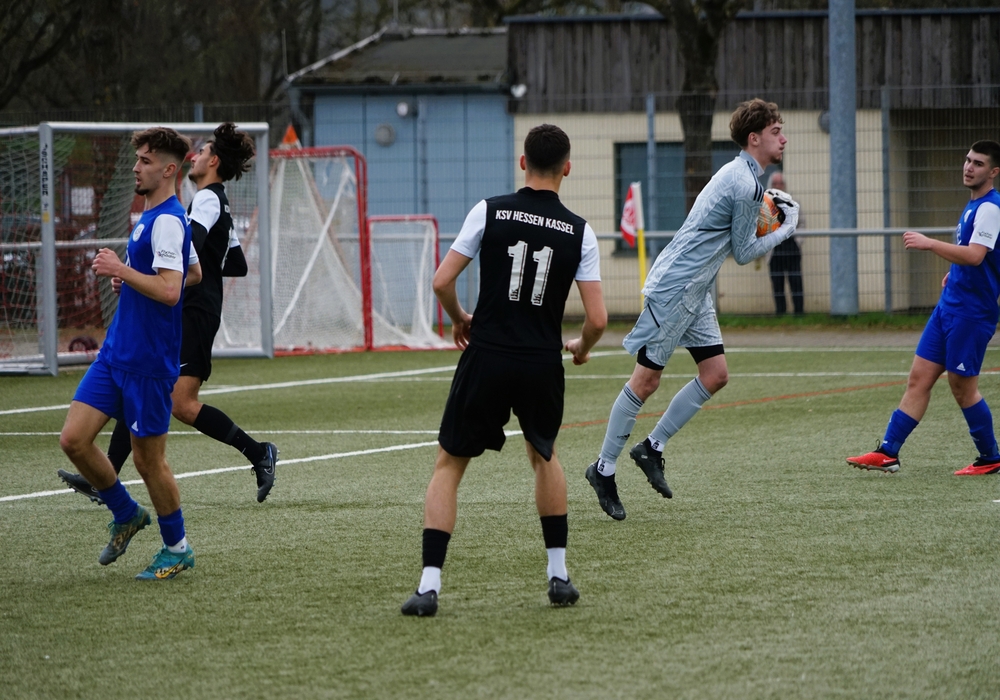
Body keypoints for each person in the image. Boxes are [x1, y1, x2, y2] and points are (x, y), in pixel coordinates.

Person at [401, 124, 607, 617]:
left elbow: (441, 281)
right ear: (567, 168)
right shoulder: (580, 231)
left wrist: (459, 319)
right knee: (545, 456)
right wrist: (581, 347)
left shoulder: (489, 210)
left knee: (449, 465)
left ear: (522, 163)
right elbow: (598, 319)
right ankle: (559, 577)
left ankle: (429, 586)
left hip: (488, 354)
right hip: (540, 361)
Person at [586, 98, 799, 521]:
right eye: (776, 132)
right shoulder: (744, 182)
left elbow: (736, 236)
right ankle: (603, 470)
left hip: (695, 290)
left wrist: (767, 212)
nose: (784, 139)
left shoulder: (743, 176)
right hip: (675, 287)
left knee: (715, 374)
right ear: (754, 138)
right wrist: (785, 227)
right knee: (645, 382)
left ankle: (651, 448)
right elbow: (744, 252)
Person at [58, 122, 279, 503]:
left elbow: (189, 247)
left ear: (214, 161)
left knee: (182, 403)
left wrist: (167, 270)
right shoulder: (217, 202)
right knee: (140, 381)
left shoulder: (206, 200)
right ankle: (105, 475)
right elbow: (237, 263)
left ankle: (259, 452)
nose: (196, 156)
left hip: (192, 309)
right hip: (191, 306)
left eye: (203, 152)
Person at [58, 127, 201, 580]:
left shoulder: (167, 220)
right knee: (74, 439)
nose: (136, 167)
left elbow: (172, 289)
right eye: (138, 158)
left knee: (147, 460)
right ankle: (126, 513)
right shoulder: (152, 216)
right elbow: (193, 272)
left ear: (169, 169)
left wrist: (123, 269)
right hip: (116, 353)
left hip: (147, 363)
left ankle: (177, 548)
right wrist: (135, 278)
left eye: (145, 160)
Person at [847, 140, 1000, 476]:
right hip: (949, 307)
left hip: (971, 314)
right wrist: (955, 274)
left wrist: (929, 244)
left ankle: (990, 457)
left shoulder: (990, 208)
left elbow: (976, 255)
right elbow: (975, 257)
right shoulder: (974, 205)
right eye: (967, 160)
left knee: (963, 388)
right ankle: (888, 452)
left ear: (994, 172)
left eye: (978, 163)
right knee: (919, 378)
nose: (968, 167)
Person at [765, 171, 804, 315]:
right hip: (774, 247)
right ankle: (780, 312)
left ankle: (799, 312)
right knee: (777, 282)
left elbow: (802, 224)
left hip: (791, 246)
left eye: (781, 183)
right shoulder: (764, 205)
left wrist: (798, 241)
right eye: (775, 183)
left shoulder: (793, 203)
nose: (778, 186)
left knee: (795, 280)